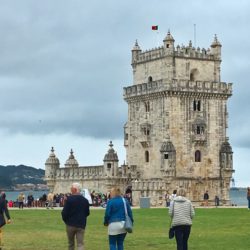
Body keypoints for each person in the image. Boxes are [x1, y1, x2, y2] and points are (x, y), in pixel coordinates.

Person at [62, 183, 90, 250]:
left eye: (71, 188)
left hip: (70, 224)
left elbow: (64, 213)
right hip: (81, 224)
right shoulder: (85, 201)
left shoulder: (69, 200)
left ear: (75, 189)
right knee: (80, 244)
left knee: (71, 244)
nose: (70, 190)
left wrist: (66, 221)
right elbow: (87, 213)